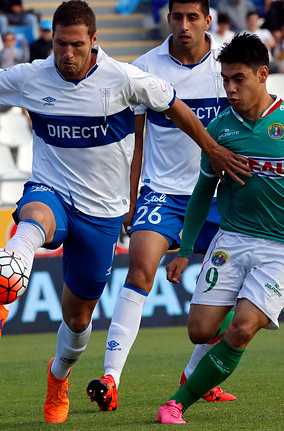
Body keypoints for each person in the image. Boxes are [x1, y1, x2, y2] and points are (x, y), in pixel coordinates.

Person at [0, 0, 247, 423]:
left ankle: (58, 376)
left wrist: (209, 147)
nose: (67, 54)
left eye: (77, 45)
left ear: (94, 41)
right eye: (60, 44)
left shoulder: (126, 78)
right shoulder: (32, 76)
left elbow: (175, 106)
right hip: (52, 192)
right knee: (34, 218)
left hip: (102, 214)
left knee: (77, 321)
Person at [156, 32, 284, 424]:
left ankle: (177, 402)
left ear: (263, 73)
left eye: (239, 78)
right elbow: (203, 190)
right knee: (199, 331)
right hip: (232, 239)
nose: (230, 88)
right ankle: (202, 369)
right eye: (225, 79)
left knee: (240, 330)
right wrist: (185, 251)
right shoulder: (220, 129)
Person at [86, 0, 244, 413]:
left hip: (218, 193)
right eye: (178, 17)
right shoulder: (145, 69)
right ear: (168, 19)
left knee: (229, 293)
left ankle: (196, 377)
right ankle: (111, 377)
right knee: (140, 267)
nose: (185, 25)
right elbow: (135, 142)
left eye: (194, 17)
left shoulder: (228, 65)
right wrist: (129, 193)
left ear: (208, 20)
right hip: (163, 191)